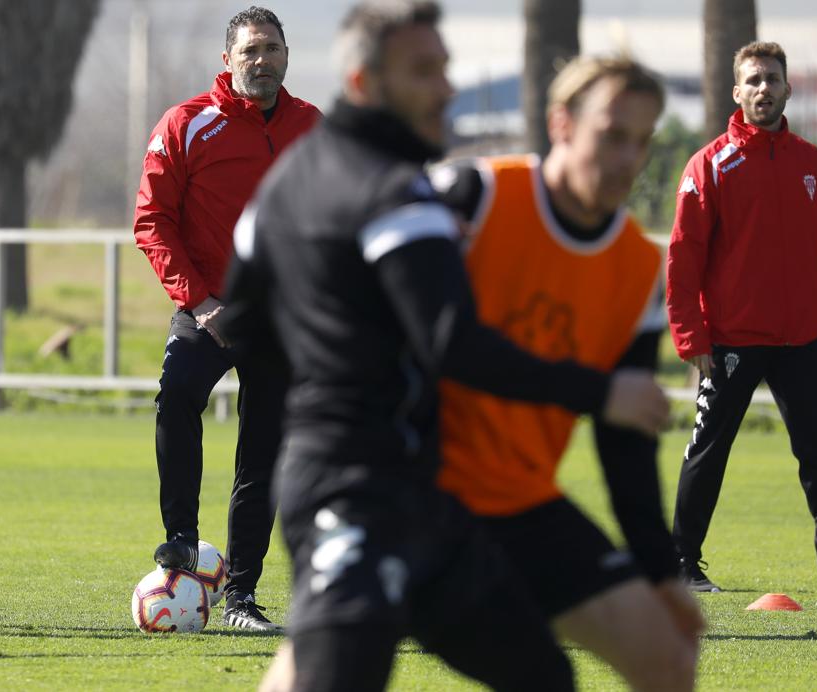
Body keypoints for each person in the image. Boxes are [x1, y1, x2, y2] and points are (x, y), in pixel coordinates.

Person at [219, 2, 670, 688]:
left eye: (445, 67)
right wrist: (602, 393)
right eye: (424, 71)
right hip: (354, 494)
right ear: (366, 83)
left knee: (544, 677)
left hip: (418, 499)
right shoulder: (401, 198)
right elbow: (455, 342)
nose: (447, 88)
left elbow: (244, 328)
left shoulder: (281, 188)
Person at [432, 56, 703, 691]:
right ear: (561, 124)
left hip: (520, 503)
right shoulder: (472, 195)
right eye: (612, 134)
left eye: (642, 140)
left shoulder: (638, 267)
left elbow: (625, 436)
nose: (628, 157)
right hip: (408, 493)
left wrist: (661, 571)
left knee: (667, 656)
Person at [666, 41, 817, 594]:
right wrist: (690, 334)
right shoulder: (710, 164)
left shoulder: (812, 163)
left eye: (773, 79)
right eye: (754, 80)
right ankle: (681, 564)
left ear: (788, 88)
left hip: (803, 339)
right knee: (707, 452)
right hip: (731, 341)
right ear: (737, 92)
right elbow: (683, 257)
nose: (764, 88)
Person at [132, 5, 320, 631]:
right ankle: (180, 538)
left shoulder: (313, 129)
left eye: (271, 49)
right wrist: (200, 301)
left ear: (286, 55)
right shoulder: (186, 123)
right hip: (207, 307)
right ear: (228, 59)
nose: (261, 61)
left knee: (263, 452)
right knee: (176, 394)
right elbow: (152, 222)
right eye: (250, 51)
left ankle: (241, 596)